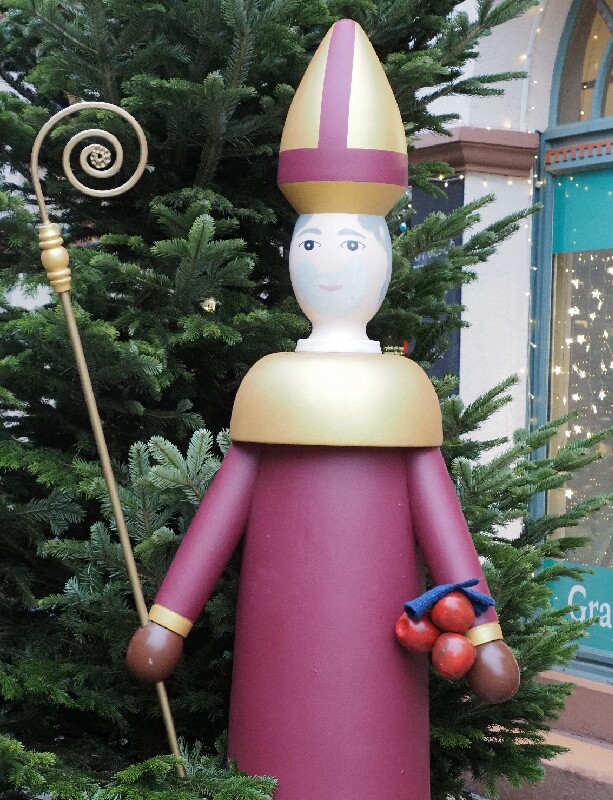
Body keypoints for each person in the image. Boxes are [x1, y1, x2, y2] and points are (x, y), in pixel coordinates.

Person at [127, 20, 519, 800]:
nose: (330, 265)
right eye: (311, 245)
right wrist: (167, 620)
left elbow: (442, 524)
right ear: (291, 254)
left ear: (381, 254)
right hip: (274, 660)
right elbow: (222, 511)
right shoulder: (272, 386)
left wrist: (483, 635)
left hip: (382, 678)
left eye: (351, 246)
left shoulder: (401, 392)